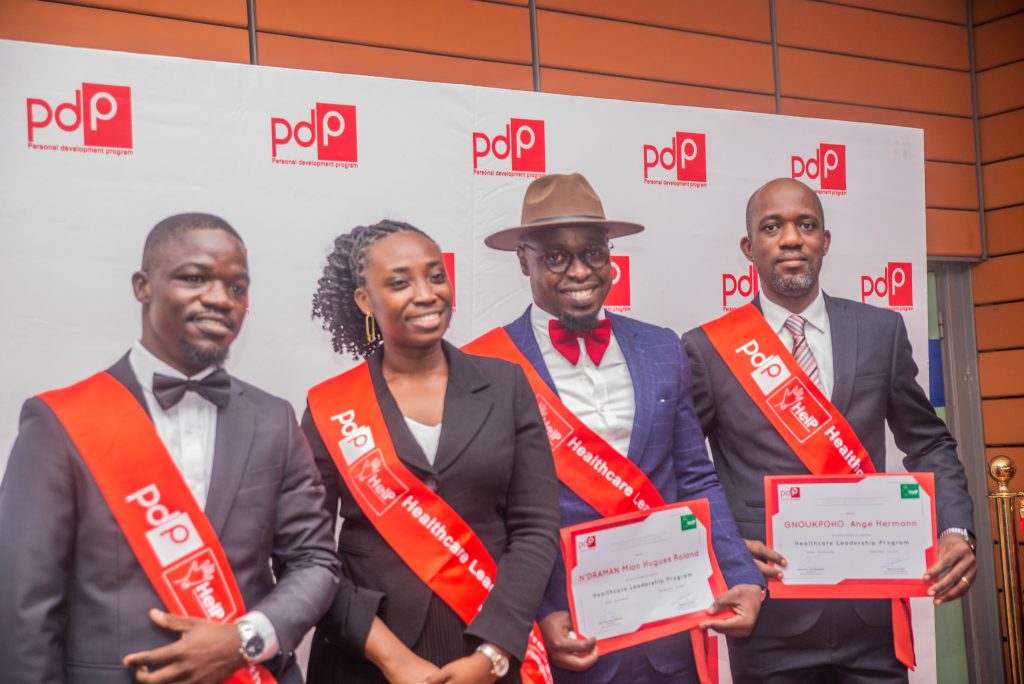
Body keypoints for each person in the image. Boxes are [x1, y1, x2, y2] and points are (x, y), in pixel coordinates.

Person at [0, 213, 339, 683]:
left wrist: (245, 640)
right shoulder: (60, 423)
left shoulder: (273, 420)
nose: (220, 299)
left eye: (237, 288)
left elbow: (314, 562)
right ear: (142, 286)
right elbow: (25, 604)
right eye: (195, 278)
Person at [681, 177, 977, 683]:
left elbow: (928, 441)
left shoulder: (880, 331)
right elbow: (686, 468)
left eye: (806, 225)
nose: (791, 239)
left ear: (825, 240)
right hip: (768, 615)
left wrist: (954, 529)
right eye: (772, 228)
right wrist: (721, 544)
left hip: (871, 610)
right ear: (749, 247)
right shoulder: (708, 349)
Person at [476, 173, 764, 684]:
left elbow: (695, 476)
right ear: (523, 260)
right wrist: (539, 614)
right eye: (556, 257)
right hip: (568, 638)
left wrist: (741, 573)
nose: (580, 271)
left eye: (593, 252)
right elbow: (489, 515)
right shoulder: (486, 367)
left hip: (671, 628)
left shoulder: (662, 346)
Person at [302, 219, 561, 684]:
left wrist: (494, 653)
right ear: (365, 300)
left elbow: (535, 528)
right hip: (365, 659)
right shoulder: (332, 407)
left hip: (487, 648)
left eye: (436, 276)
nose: (426, 294)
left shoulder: (507, 385)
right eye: (400, 283)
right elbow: (307, 553)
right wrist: (391, 658)